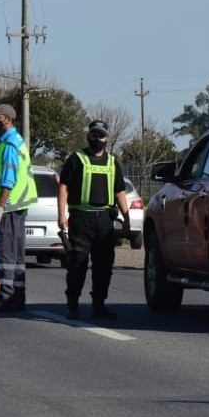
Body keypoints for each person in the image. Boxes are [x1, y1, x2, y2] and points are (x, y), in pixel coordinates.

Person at [57, 119, 130, 320]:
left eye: (101, 135)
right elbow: (64, 187)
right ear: (88, 135)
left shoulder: (112, 161)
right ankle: (72, 305)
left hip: (104, 220)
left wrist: (127, 216)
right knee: (77, 263)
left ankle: (99, 305)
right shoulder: (76, 158)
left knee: (104, 266)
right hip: (81, 219)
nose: (97, 139)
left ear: (107, 138)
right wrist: (61, 215)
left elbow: (120, 191)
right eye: (94, 135)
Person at [0, 103, 36, 314]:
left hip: (10, 207)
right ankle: (17, 298)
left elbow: (8, 180)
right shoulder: (14, 142)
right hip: (18, 206)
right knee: (16, 255)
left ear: (9, 119)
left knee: (5, 252)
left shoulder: (10, 146)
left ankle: (5, 297)